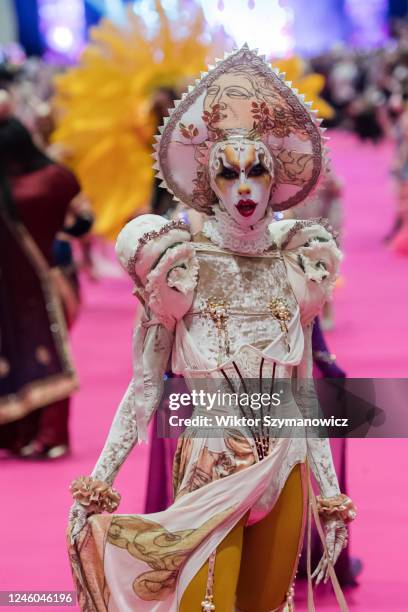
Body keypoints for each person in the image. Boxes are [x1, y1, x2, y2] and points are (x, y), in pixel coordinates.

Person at [68, 47, 356, 611]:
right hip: (210, 461)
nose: (245, 188)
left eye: (257, 172)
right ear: (209, 183)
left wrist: (330, 494)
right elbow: (146, 387)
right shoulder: (179, 268)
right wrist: (99, 482)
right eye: (229, 173)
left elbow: (301, 393)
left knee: (267, 603)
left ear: (276, 181)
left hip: (287, 463)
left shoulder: (299, 267)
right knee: (209, 605)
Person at [0, 91, 80, 458]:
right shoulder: (54, 177)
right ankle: (37, 435)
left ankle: (28, 434)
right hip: (53, 278)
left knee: (34, 354)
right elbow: (80, 217)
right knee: (42, 353)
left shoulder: (19, 190)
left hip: (33, 284)